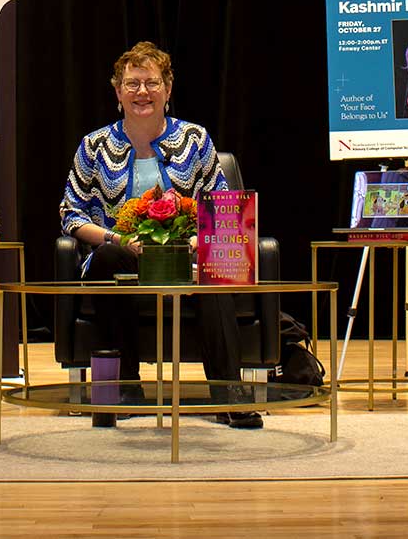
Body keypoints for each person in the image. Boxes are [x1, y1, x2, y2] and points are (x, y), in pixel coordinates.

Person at [59, 41, 261, 429]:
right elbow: (70, 212)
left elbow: (223, 205)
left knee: (213, 266)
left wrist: (199, 243)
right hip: (119, 254)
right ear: (117, 92)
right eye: (132, 84)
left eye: (151, 83)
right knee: (104, 259)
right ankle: (124, 388)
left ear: (168, 90)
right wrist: (116, 239)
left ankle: (228, 395)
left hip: (184, 256)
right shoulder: (95, 145)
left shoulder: (195, 140)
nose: (142, 92)